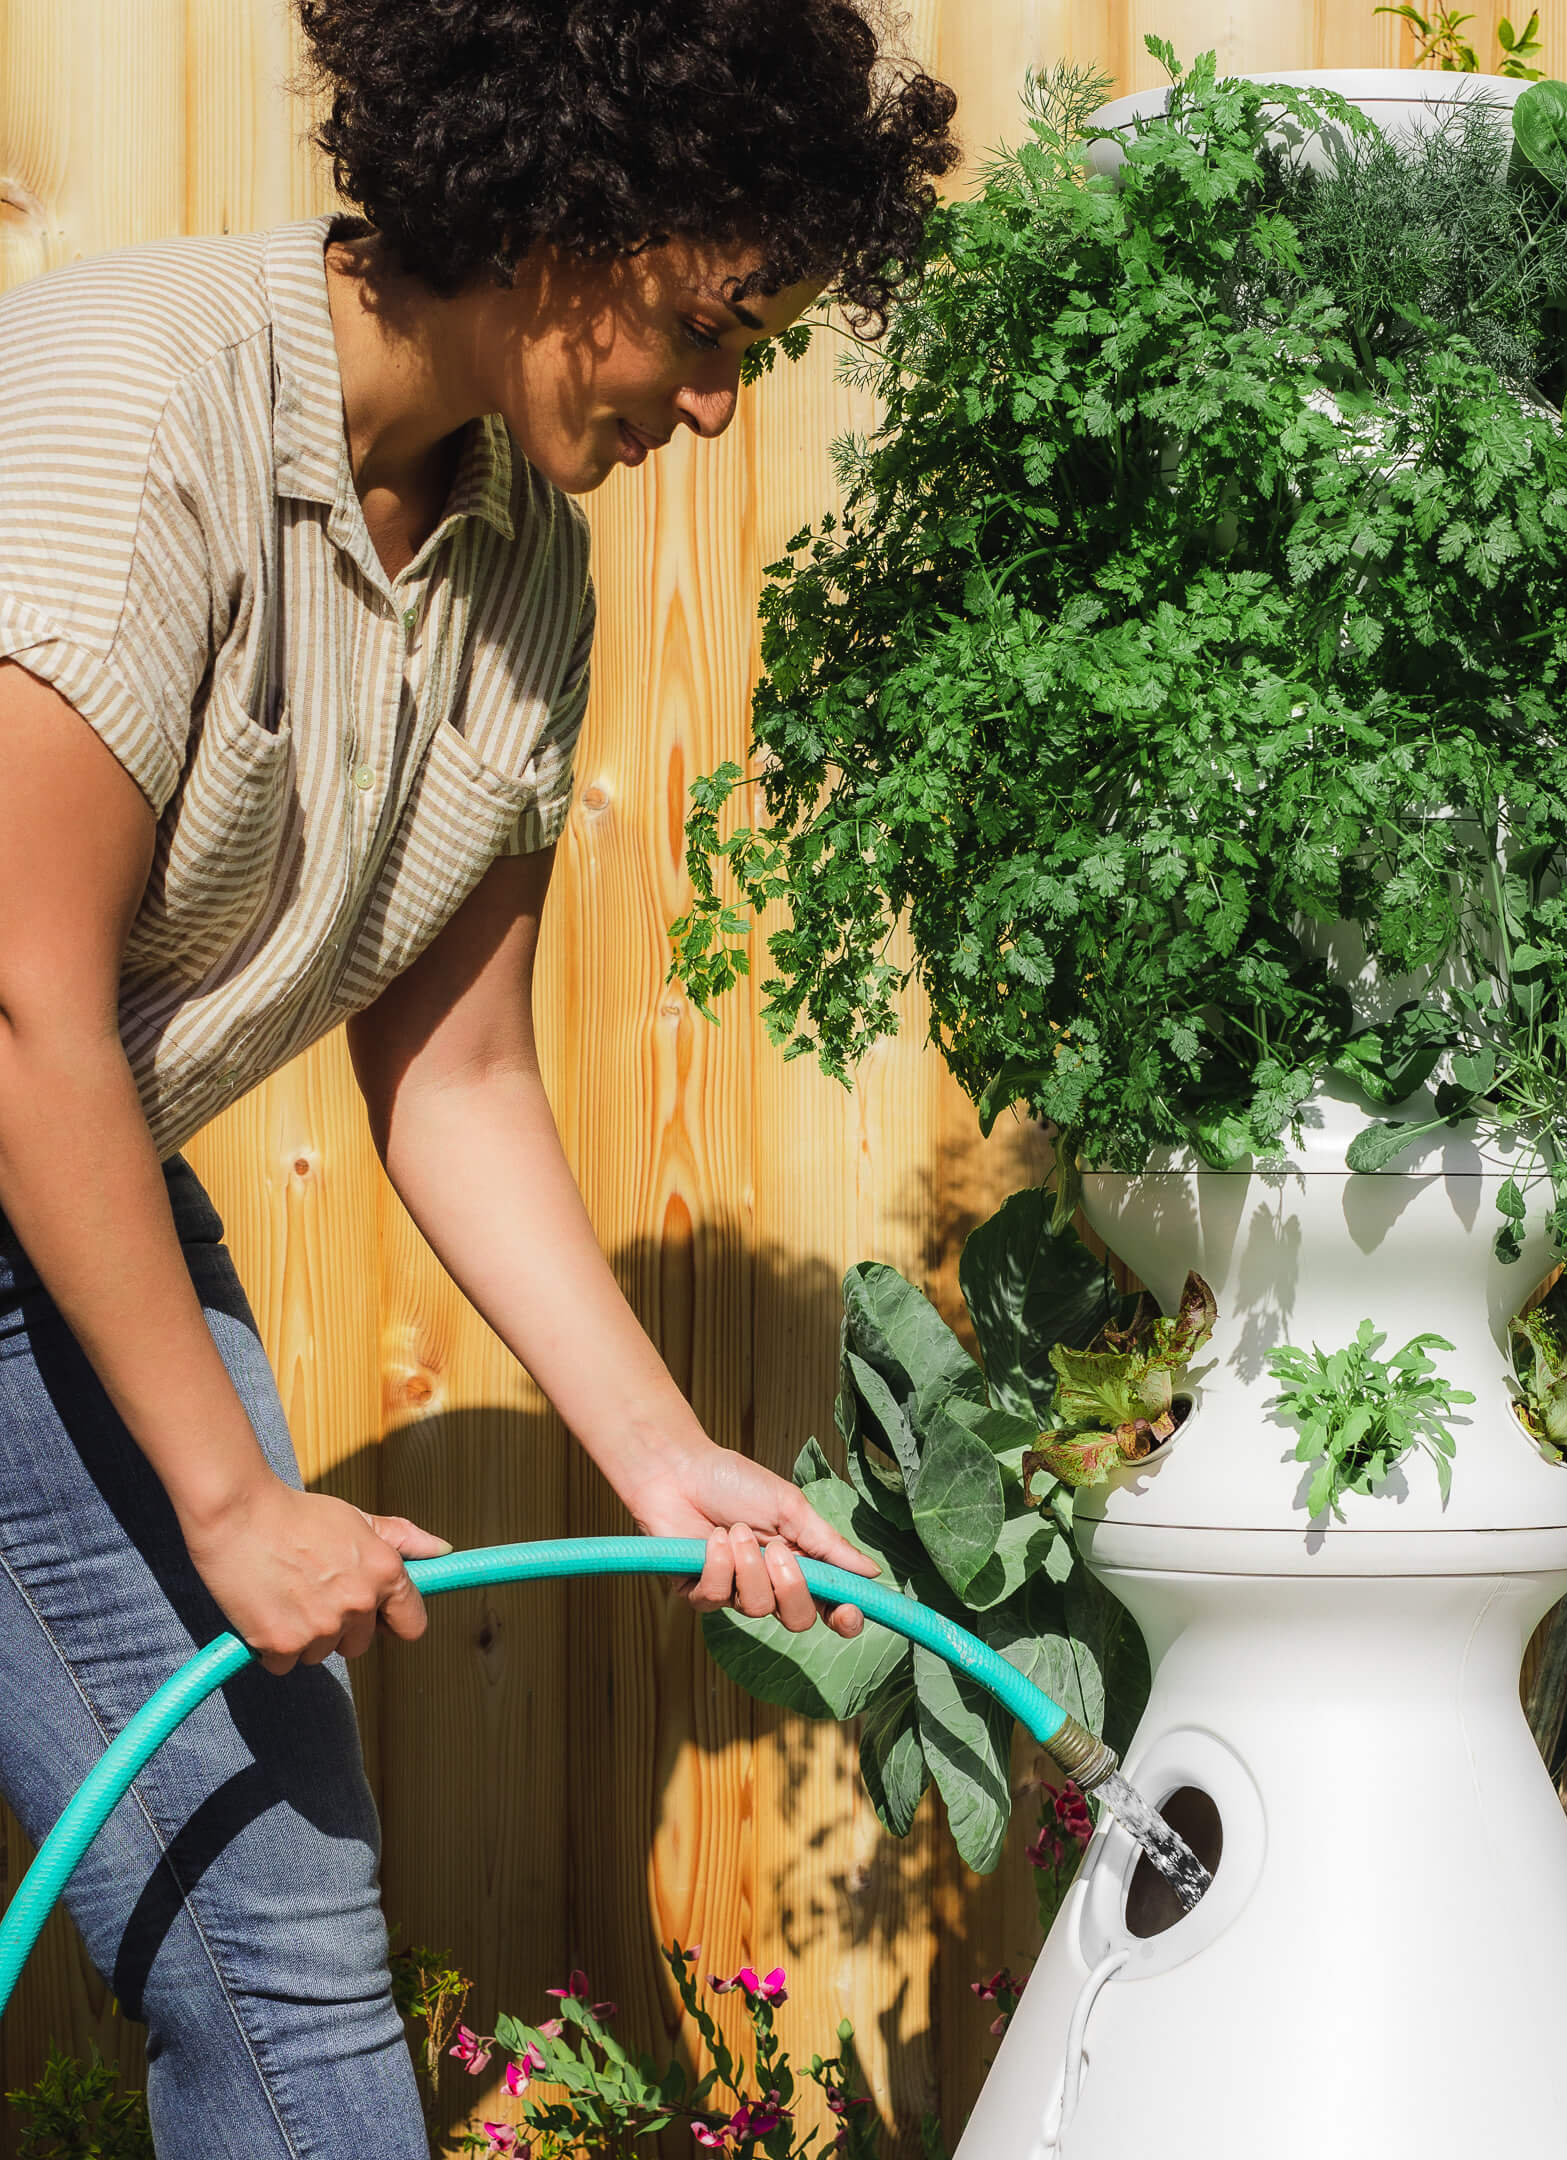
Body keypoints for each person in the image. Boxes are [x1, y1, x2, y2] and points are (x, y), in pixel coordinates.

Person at [0, 3, 959, 2151]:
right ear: (572, 210)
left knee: (285, 1944)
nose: (718, 403)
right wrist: (234, 1507)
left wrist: (656, 1451)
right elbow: (20, 1003)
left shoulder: (524, 563)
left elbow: (450, 1068)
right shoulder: (128, 410)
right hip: (31, 1110)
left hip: (51, 1216)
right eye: (713, 327)